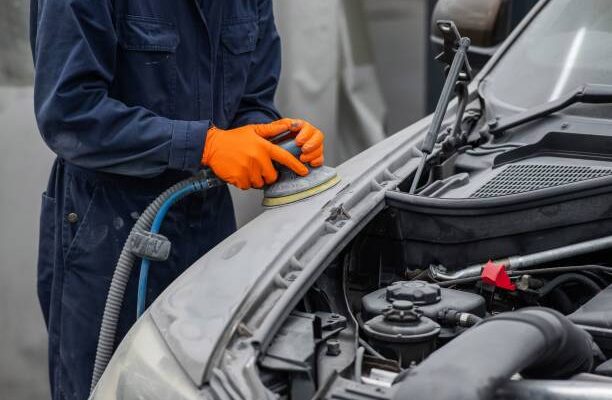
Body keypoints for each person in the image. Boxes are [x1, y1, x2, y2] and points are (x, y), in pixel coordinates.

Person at [29, 1, 325, 399]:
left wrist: (275, 140)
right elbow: (68, 114)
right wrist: (205, 146)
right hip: (106, 237)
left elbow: (251, 101)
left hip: (208, 231)